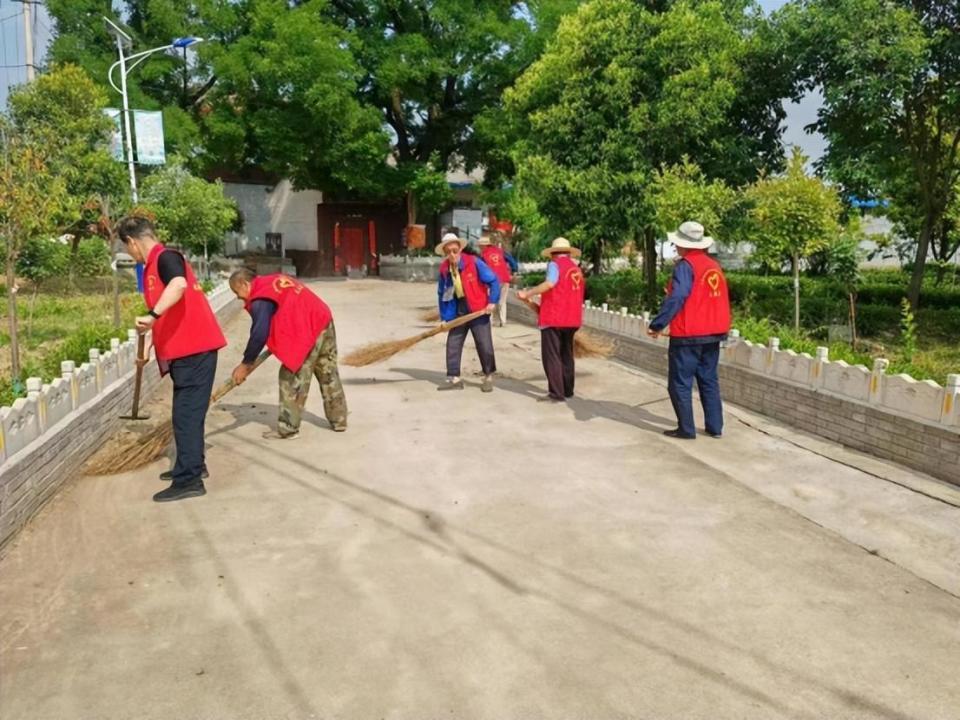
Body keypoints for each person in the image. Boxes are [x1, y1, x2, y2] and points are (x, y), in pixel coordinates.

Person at [116, 216, 227, 502]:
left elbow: (178, 286)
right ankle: (193, 465)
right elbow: (167, 313)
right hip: (186, 352)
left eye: (128, 249)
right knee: (188, 414)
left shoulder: (166, 258)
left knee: (185, 416)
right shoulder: (152, 267)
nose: (131, 254)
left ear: (132, 242)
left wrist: (151, 317)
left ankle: (188, 480)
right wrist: (149, 346)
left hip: (195, 351)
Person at [228, 269, 347, 440]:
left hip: (307, 329)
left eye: (236, 292)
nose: (239, 298)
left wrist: (246, 364)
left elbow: (259, 334)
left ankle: (288, 428)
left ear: (245, 284)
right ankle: (339, 420)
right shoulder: (272, 280)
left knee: (289, 378)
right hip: (322, 319)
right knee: (327, 372)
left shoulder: (260, 296)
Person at [647, 221, 731, 439]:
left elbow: (678, 296)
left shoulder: (685, 266)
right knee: (709, 380)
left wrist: (658, 323)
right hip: (713, 334)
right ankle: (715, 428)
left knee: (680, 383)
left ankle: (686, 429)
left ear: (682, 244)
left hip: (688, 335)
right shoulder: (714, 266)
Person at [517, 237, 585, 402]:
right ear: (568, 253)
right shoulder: (576, 269)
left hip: (554, 318)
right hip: (572, 319)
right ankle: (568, 390)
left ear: (553, 253)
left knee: (552, 356)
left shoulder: (554, 265)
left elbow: (550, 284)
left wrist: (528, 293)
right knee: (566, 354)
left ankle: (556, 392)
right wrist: (530, 302)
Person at [436, 232, 500, 392]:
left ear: (460, 249)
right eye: (448, 251)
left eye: (454, 250)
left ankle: (488, 376)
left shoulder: (474, 262)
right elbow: (442, 294)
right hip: (458, 309)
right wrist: (444, 317)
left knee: (484, 344)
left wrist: (492, 302)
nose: (452, 254)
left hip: (478, 308)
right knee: (453, 343)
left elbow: (494, 280)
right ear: (445, 253)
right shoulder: (444, 269)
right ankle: (454, 379)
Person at [478, 232, 513, 326]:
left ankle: (489, 321)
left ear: (484, 246)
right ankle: (503, 321)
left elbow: (480, 269)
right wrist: (513, 271)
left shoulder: (483, 255)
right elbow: (512, 261)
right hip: (505, 278)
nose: (479, 248)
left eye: (480, 246)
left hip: (492, 281)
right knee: (502, 301)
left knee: (491, 300)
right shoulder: (500, 251)